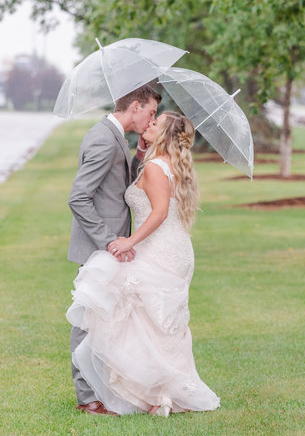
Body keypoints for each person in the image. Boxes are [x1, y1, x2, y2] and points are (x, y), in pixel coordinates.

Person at [66, 111, 220, 417]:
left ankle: (153, 392)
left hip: (158, 248)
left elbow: (159, 211)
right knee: (160, 324)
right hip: (174, 249)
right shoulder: (167, 164)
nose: (147, 124)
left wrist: (128, 242)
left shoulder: (154, 167)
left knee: (130, 313)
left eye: (154, 123)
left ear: (162, 135)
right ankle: (161, 393)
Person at [68, 84, 162, 416]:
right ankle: (87, 399)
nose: (152, 118)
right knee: (86, 320)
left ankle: (99, 390)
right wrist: (108, 240)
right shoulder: (102, 138)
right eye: (150, 111)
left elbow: (118, 188)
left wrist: (137, 155)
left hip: (111, 245)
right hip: (99, 247)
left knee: (104, 318)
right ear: (135, 106)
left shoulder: (116, 136)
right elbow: (78, 197)